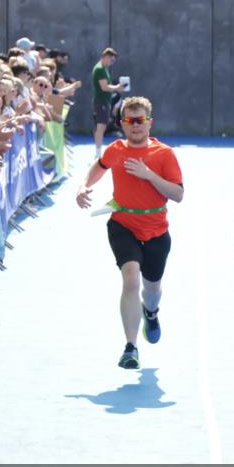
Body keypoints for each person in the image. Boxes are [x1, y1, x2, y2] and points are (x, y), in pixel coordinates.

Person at [76, 96, 183, 370]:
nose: (135, 126)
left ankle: (151, 311)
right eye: (129, 121)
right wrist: (83, 186)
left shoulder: (164, 154)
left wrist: (149, 175)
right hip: (123, 224)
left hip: (157, 230)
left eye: (140, 120)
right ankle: (131, 347)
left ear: (149, 122)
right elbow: (99, 167)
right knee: (131, 280)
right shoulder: (116, 149)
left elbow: (178, 194)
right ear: (122, 123)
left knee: (152, 289)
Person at [91, 47, 124, 158]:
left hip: (104, 101)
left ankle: (98, 151)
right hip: (101, 101)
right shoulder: (100, 69)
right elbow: (104, 87)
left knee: (102, 127)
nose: (111, 62)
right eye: (111, 60)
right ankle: (98, 153)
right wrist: (117, 87)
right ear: (105, 57)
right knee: (101, 127)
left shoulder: (103, 69)